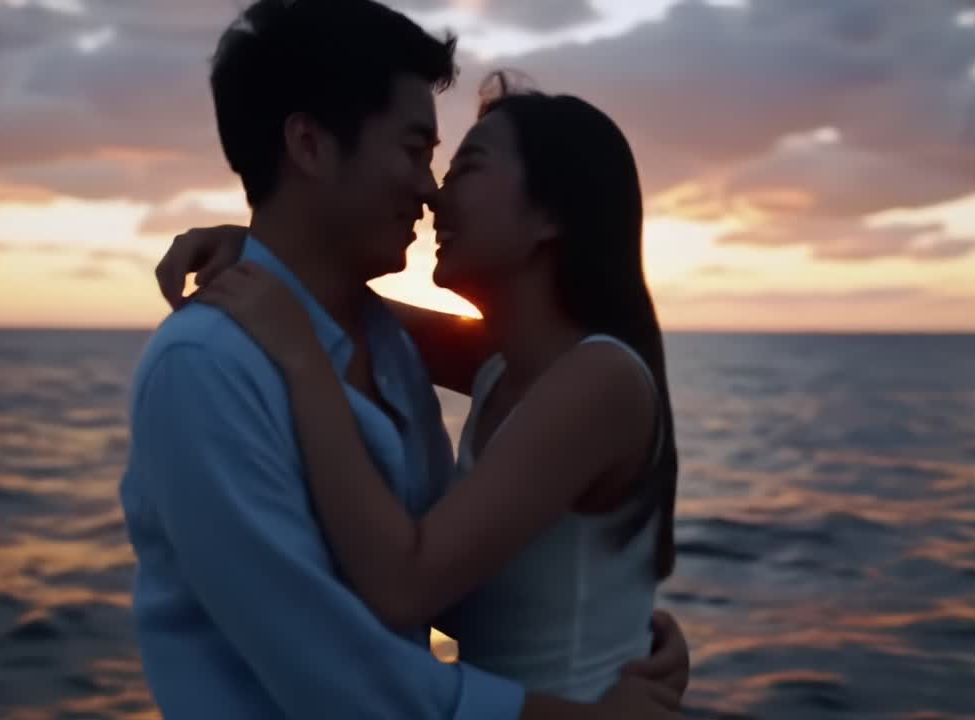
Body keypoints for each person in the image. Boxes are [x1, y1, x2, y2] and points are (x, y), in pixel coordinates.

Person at [123, 0, 687, 718]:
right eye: (418, 152)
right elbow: (346, 675)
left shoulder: (399, 352)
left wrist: (621, 639)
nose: (432, 190)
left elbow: (420, 585)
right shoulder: (206, 367)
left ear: (553, 215)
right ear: (311, 146)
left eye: (457, 164)